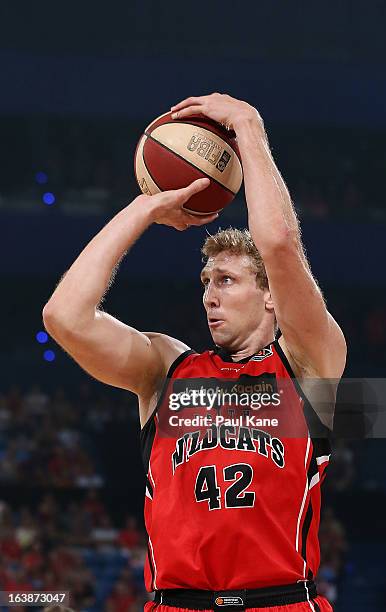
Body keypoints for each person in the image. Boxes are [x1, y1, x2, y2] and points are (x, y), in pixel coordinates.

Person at [43, 93, 347, 612]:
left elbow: (277, 243)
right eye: (206, 280)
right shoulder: (168, 367)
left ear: (271, 295)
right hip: (176, 603)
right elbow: (64, 317)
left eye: (227, 280)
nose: (209, 294)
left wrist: (248, 127)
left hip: (279, 602)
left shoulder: (309, 363)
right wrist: (145, 207)